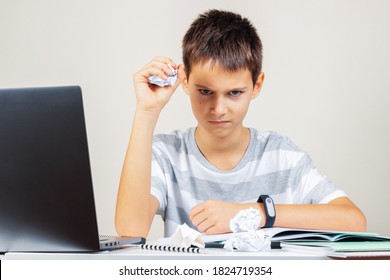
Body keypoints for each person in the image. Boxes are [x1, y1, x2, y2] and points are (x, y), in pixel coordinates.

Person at [115, 9, 366, 238]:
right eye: (205, 92)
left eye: (234, 93)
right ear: (185, 81)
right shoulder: (166, 155)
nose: (218, 109)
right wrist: (146, 112)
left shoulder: (282, 155)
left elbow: (355, 222)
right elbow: (130, 229)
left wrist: (257, 213)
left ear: (257, 85)